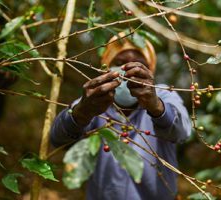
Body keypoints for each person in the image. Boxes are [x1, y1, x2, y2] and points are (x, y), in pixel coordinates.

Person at [50, 32, 191, 200]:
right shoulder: (94, 99)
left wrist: (156, 107)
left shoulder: (164, 94)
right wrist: (82, 112)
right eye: (119, 64)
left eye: (138, 65)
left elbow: (182, 132)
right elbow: (57, 139)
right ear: (106, 68)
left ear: (149, 71)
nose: (128, 72)